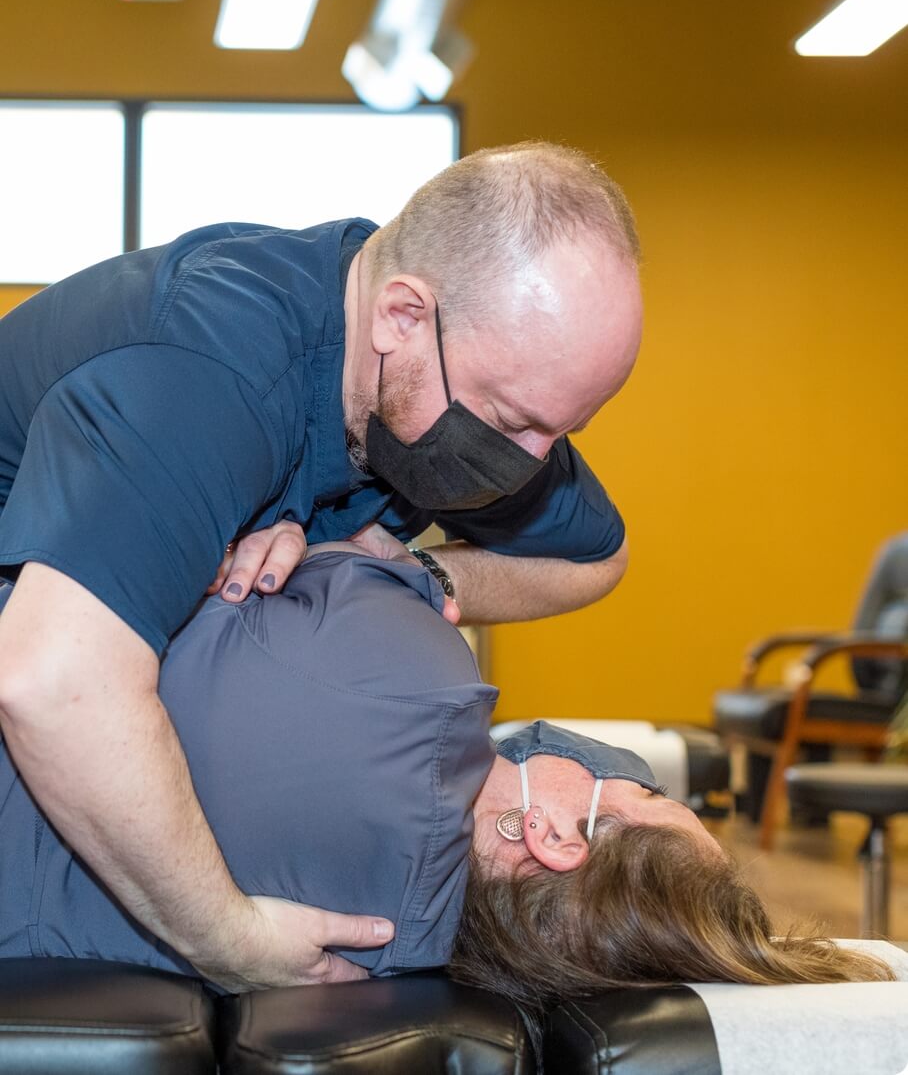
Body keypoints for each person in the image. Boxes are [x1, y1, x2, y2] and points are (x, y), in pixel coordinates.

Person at [0, 141, 643, 989]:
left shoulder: (443, 370)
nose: (531, 461)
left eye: (564, 432)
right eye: (511, 421)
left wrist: (418, 573)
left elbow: (598, 557)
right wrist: (227, 937)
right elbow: (52, 684)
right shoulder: (207, 372)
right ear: (402, 316)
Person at [0, 545, 893, 1004]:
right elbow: (539, 751)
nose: (628, 773)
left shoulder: (411, 676)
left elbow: (583, 550)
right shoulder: (402, 951)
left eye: (649, 792)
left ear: (551, 837)